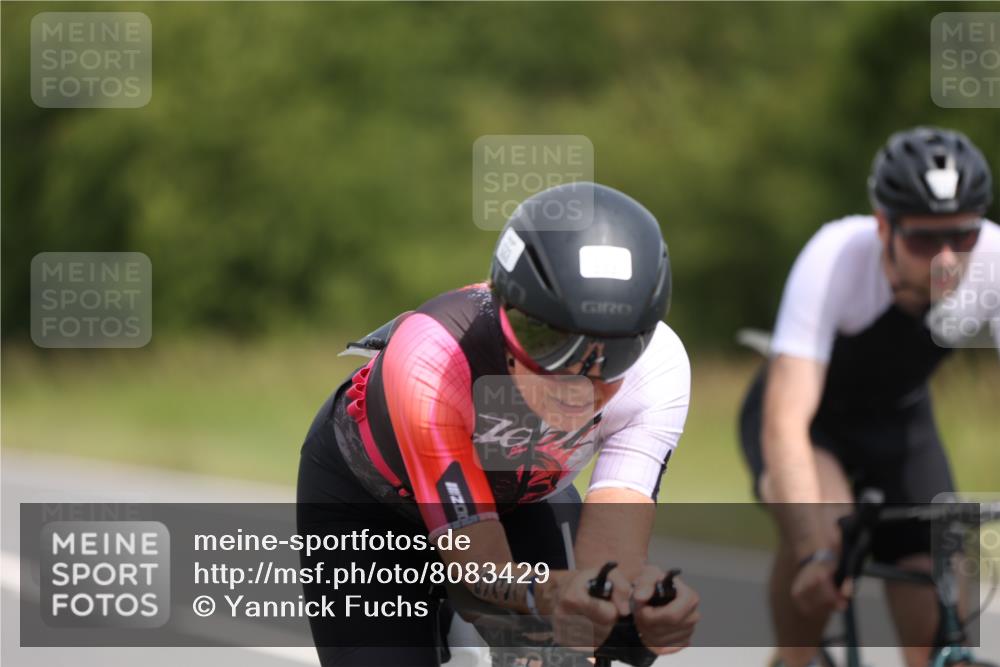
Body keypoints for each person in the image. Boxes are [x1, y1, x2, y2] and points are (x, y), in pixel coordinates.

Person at [298, 182, 700, 666]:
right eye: (549, 343)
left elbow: (608, 568)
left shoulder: (660, 367)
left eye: (614, 354)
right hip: (369, 507)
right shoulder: (433, 355)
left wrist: (636, 613)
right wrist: (545, 596)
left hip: (519, 496)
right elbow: (481, 569)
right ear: (506, 313)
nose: (576, 380)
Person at [739, 126, 999, 667]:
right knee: (828, 540)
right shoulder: (835, 255)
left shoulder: (993, 260)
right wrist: (813, 551)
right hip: (812, 428)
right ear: (884, 226)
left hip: (899, 426)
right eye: (925, 240)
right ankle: (793, 658)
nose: (948, 259)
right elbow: (786, 422)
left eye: (963, 235)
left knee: (942, 608)